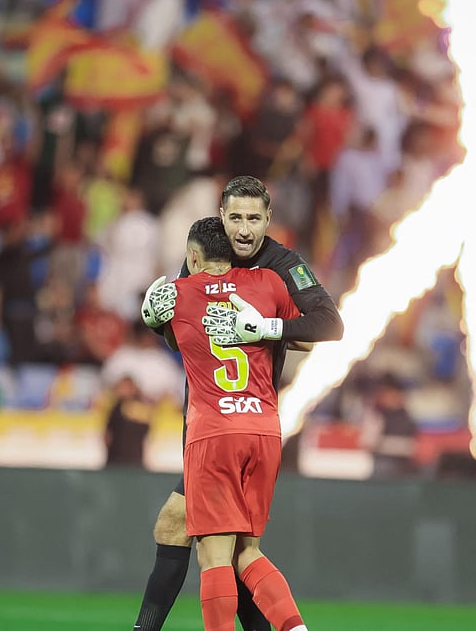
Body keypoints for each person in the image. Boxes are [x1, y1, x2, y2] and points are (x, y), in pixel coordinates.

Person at [134, 176, 343, 631]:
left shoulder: (281, 266)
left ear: (269, 220)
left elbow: (329, 324)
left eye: (254, 218)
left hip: (219, 428)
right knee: (219, 539)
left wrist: (267, 330)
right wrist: (160, 325)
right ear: (222, 217)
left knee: (217, 548)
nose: (244, 229)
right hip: (254, 422)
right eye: (236, 218)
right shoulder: (223, 262)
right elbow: (185, 335)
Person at [164, 217, 308, 631]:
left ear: (193, 256)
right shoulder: (267, 284)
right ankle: (295, 628)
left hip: (214, 432)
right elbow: (305, 332)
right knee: (249, 552)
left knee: (213, 557)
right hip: (263, 429)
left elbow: (157, 322)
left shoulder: (179, 293)